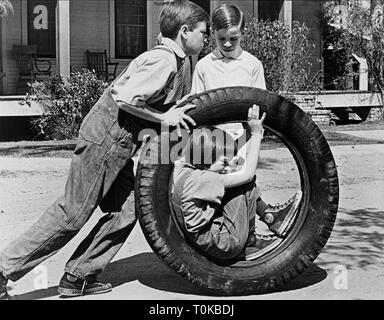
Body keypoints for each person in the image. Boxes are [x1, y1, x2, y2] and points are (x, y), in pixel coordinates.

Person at [0, 0, 209, 300]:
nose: (207, 38)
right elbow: (126, 98)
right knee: (72, 214)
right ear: (185, 31)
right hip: (107, 137)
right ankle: (3, 270)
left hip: (121, 140)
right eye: (204, 32)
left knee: (129, 207)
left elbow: (155, 101)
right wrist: (165, 117)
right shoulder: (163, 59)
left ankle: (79, 275)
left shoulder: (181, 61)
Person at [185, 4, 302, 254]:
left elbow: (260, 103)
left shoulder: (252, 64)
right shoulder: (205, 65)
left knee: (245, 180)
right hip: (214, 139)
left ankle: (252, 233)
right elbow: (198, 105)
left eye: (234, 38)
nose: (227, 44)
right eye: (221, 38)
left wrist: (254, 131)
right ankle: (260, 223)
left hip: (243, 134)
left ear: (243, 33)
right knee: (228, 185)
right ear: (212, 34)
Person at [171, 105, 302, 262]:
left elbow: (221, 153)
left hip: (207, 238)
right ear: (206, 157)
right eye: (224, 162)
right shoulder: (203, 180)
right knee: (242, 183)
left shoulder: (185, 170)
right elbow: (247, 175)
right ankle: (256, 235)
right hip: (223, 244)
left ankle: (268, 220)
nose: (227, 167)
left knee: (234, 179)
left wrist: (246, 132)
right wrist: (255, 134)